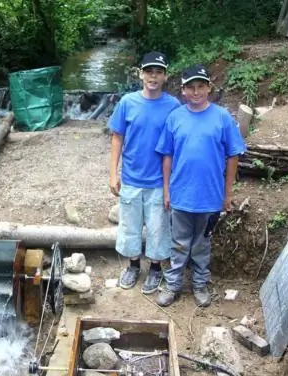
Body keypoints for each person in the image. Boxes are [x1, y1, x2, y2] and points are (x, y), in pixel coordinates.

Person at [154, 64, 246, 307]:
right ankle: (173, 285)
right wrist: (166, 190)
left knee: (202, 244)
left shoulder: (222, 117)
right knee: (179, 243)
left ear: (209, 88)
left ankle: (199, 284)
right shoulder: (175, 117)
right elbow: (167, 157)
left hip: (210, 197)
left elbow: (233, 155)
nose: (196, 92)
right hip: (181, 195)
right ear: (183, 90)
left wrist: (228, 194)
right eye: (191, 88)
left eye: (201, 87)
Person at [108, 51, 181, 294]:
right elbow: (117, 138)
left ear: (165, 76)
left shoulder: (173, 106)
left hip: (160, 180)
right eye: (149, 71)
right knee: (130, 226)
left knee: (158, 227)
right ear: (141, 74)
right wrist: (113, 173)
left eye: (158, 72)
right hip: (131, 177)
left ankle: (156, 269)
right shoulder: (128, 102)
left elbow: (178, 143)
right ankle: (132, 265)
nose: (153, 76)